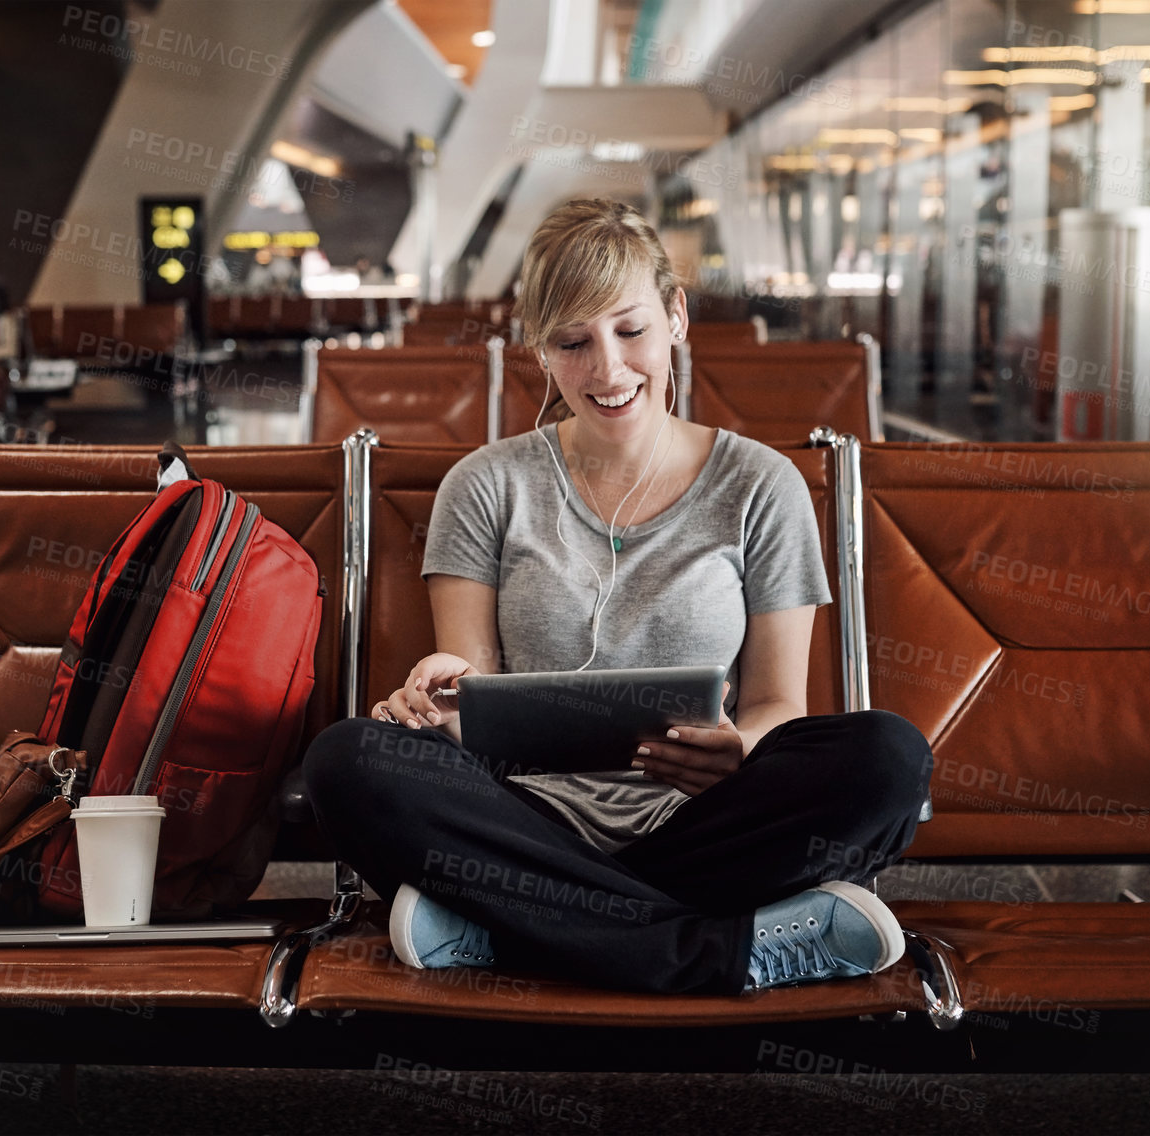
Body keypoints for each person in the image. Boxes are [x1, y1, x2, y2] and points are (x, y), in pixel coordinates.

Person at [302, 199, 932, 996]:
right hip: (525, 819)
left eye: (630, 331)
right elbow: (474, 691)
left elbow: (779, 704)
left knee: (887, 761)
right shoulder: (486, 485)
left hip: (705, 822)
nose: (607, 370)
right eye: (573, 342)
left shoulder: (760, 486)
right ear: (542, 350)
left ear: (675, 317)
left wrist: (742, 745)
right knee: (348, 761)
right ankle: (728, 950)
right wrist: (439, 696)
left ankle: (506, 926)